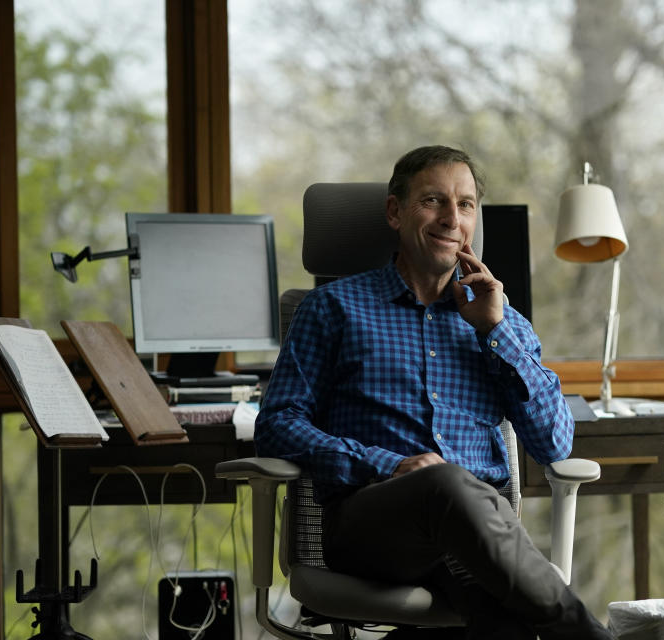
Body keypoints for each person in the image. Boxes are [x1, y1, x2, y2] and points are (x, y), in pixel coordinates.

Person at [255, 145, 611, 639]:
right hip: (374, 524)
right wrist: (390, 465)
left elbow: (555, 443)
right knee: (447, 485)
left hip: (479, 538)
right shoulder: (331, 309)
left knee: (502, 614)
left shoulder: (501, 321)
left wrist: (494, 332)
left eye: (465, 205)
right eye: (433, 201)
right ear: (394, 212)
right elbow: (276, 425)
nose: (451, 218)